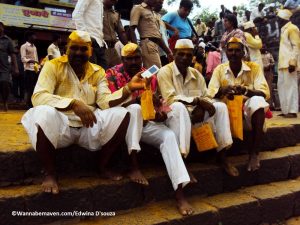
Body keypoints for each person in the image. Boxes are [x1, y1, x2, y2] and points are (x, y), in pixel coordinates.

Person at [21, 31, 148, 195]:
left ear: (90, 51)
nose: (79, 53)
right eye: (74, 48)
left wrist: (128, 89)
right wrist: (72, 103)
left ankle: (102, 166)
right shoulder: (53, 66)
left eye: (83, 49)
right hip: (61, 127)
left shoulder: (98, 71)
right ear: (66, 48)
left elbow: (104, 101)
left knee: (122, 114)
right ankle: (51, 173)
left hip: (89, 125)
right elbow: (38, 96)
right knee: (42, 112)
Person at [106, 42, 193, 216]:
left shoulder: (150, 74)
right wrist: (136, 101)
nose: (133, 62)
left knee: (169, 134)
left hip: (148, 123)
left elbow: (158, 101)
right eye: (129, 59)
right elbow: (109, 105)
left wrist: (160, 112)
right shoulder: (112, 74)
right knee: (134, 109)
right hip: (125, 123)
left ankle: (180, 193)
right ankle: (133, 165)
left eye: (136, 58)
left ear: (141, 58)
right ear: (122, 59)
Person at [158, 39, 239, 177]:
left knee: (220, 106)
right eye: (181, 54)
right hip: (173, 118)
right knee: (178, 107)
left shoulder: (196, 74)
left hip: (196, 116)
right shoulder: (164, 72)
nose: (184, 58)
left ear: (192, 57)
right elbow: (170, 99)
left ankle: (222, 156)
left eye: (188, 55)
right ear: (174, 54)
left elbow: (206, 96)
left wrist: (201, 105)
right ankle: (182, 161)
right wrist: (197, 101)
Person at [208, 37, 270, 171]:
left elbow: (265, 93)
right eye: (230, 50)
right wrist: (222, 91)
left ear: (244, 53)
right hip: (227, 120)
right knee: (218, 105)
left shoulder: (254, 68)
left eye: (237, 50)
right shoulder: (219, 69)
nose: (234, 54)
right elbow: (210, 93)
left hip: (247, 118)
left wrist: (246, 91)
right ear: (226, 52)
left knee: (258, 101)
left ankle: (254, 153)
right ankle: (222, 156)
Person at [130, 0, 173, 68]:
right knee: (156, 71)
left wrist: (168, 52)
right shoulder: (138, 8)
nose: (156, 1)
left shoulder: (153, 13)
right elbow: (132, 29)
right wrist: (136, 49)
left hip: (156, 46)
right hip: (147, 45)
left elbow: (157, 35)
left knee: (151, 71)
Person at [277, 9, 300, 118]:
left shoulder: (292, 28)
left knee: (291, 87)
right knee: (282, 87)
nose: (277, 20)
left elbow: (296, 47)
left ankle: (292, 110)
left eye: (278, 18)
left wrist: (293, 63)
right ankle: (286, 110)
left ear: (283, 19)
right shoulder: (284, 29)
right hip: (282, 64)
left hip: (289, 64)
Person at [72, 0, 107, 69]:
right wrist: (86, 37)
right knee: (91, 74)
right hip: (89, 42)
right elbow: (76, 14)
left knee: (101, 74)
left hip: (98, 43)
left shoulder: (100, 2)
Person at [103, 0, 128, 68]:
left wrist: (129, 46)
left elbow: (121, 33)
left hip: (113, 49)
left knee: (118, 71)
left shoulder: (116, 14)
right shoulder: (96, 11)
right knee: (101, 73)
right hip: (101, 48)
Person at [0, 21, 18, 111]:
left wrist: (16, 68)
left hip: (4, 67)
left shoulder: (8, 40)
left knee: (5, 83)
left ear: (3, 28)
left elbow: (13, 54)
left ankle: (5, 102)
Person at [20, 31, 39, 108]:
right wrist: (32, 61)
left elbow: (36, 59)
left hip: (35, 70)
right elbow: (23, 59)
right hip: (28, 69)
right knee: (29, 87)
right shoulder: (24, 46)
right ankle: (28, 104)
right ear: (29, 37)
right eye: (34, 35)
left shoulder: (34, 47)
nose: (35, 37)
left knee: (34, 87)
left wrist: (38, 68)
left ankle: (31, 103)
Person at [261, 44, 275, 108]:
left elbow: (273, 63)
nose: (263, 48)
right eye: (262, 47)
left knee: (269, 89)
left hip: (269, 73)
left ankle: (270, 105)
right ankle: (263, 105)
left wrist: (269, 65)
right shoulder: (258, 55)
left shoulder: (269, 54)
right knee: (262, 88)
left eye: (264, 47)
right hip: (261, 73)